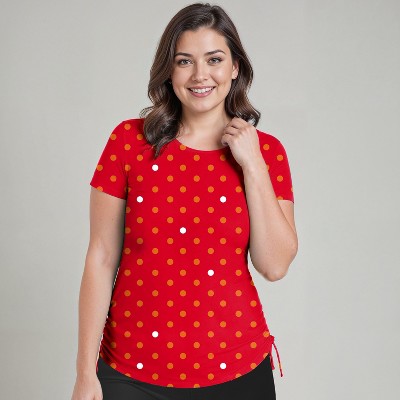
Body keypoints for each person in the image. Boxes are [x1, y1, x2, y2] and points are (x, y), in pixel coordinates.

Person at [71, 2, 298, 400]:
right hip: (130, 371)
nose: (199, 75)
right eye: (184, 61)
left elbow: (274, 265)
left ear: (235, 67)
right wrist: (84, 373)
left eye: (214, 59)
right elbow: (101, 256)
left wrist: (253, 165)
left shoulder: (267, 153)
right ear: (169, 70)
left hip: (237, 369)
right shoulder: (128, 141)